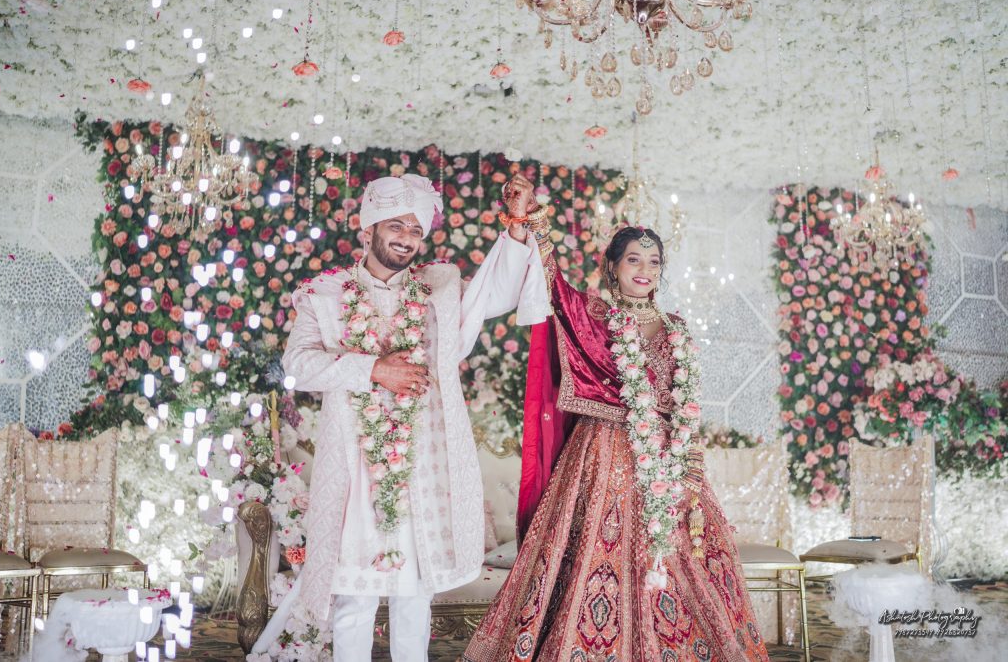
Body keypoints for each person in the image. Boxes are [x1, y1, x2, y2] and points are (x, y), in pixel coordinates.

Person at [464, 175, 770, 661]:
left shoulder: (676, 329)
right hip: (602, 455)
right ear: (612, 266)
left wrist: (690, 469)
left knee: (678, 559)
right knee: (591, 554)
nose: (645, 270)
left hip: (667, 464)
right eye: (634, 259)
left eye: (654, 262)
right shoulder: (596, 316)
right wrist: (532, 220)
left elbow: (682, 402)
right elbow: (552, 286)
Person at [254, 173, 549, 661]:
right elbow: (298, 364)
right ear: (366, 229)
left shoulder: (439, 289)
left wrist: (517, 226)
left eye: (416, 230)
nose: (407, 239)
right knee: (355, 599)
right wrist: (373, 369)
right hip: (355, 469)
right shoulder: (324, 296)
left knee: (415, 596)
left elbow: (494, 296)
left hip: (421, 469)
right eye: (396, 226)